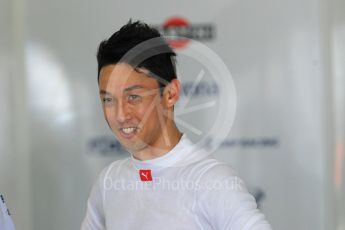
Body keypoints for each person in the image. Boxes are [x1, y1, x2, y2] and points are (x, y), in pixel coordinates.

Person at [81, 20, 272, 230]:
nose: (119, 115)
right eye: (108, 99)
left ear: (170, 94)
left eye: (133, 97)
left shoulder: (212, 181)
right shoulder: (109, 182)